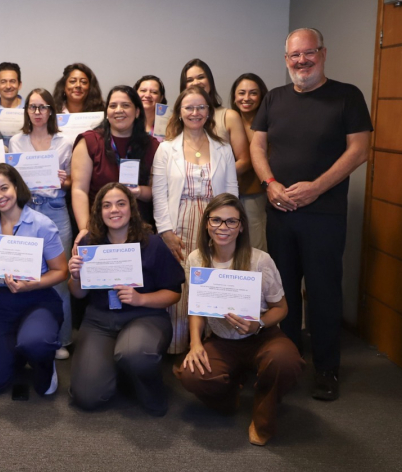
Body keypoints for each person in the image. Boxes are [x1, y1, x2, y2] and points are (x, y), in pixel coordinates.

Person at [250, 28, 372, 401]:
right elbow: (257, 143)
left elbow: (360, 149)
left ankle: (326, 368)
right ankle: (288, 362)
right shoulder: (274, 98)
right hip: (281, 210)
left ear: (323, 53)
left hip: (325, 213)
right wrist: (269, 182)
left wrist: (317, 187)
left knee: (323, 291)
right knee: (282, 290)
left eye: (308, 53)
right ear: (286, 59)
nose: (301, 61)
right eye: (294, 56)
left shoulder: (347, 96)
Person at [175, 193, 304, 446]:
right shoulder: (196, 260)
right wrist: (195, 344)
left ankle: (263, 413)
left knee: (286, 361)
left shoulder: (259, 260)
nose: (223, 228)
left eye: (231, 221)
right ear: (207, 224)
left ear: (241, 226)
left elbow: (282, 307)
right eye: (216, 220)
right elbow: (197, 309)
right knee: (192, 374)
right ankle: (230, 392)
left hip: (261, 336)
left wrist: (259, 323)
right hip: (222, 340)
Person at [68, 183, 183, 414]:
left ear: (131, 208)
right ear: (99, 211)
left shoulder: (153, 244)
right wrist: (76, 275)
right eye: (107, 205)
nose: (114, 210)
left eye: (121, 204)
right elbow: (78, 293)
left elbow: (174, 293)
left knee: (134, 354)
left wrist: (141, 299)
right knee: (87, 397)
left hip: (144, 317)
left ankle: (147, 385)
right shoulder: (88, 243)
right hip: (100, 320)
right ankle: (119, 370)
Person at [152, 85, 239, 354]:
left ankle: (214, 342)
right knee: (184, 279)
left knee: (213, 277)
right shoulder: (166, 149)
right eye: (189, 107)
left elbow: (232, 190)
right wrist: (165, 231)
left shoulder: (223, 148)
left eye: (201, 107)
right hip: (180, 223)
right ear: (179, 112)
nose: (195, 112)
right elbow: (159, 193)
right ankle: (179, 345)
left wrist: (230, 225)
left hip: (215, 225)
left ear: (209, 111)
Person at [0, 164, 68, 397]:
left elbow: (62, 272)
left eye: (4, 188)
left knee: (36, 343)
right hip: (3, 301)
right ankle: (16, 351)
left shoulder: (41, 224)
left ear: (16, 186)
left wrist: (31, 284)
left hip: (38, 299)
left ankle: (44, 362)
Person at [8, 88, 74, 359]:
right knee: (26, 271)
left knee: (60, 276)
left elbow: (72, 182)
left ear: (51, 111)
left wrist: (64, 180)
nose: (37, 112)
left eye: (43, 107)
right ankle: (28, 332)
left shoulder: (64, 142)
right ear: (27, 111)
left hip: (56, 209)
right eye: (32, 107)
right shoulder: (16, 141)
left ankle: (63, 338)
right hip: (25, 210)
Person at [70, 85, 158, 236]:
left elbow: (157, 191)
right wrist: (85, 229)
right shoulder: (89, 142)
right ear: (107, 113)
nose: (118, 110)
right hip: (98, 229)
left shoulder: (153, 145)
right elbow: (79, 190)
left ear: (137, 112)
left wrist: (138, 192)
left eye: (125, 105)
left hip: (140, 229)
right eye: (113, 106)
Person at [180, 59, 251, 177]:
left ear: (210, 81)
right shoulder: (177, 118)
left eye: (201, 77)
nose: (196, 82)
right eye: (189, 80)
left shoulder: (229, 116)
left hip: (221, 190)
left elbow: (244, 161)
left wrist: (212, 177)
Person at [230, 73, 270, 250]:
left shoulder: (269, 124)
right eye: (241, 93)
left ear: (261, 95)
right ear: (234, 96)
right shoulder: (226, 121)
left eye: (253, 93)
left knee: (255, 248)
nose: (246, 98)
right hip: (226, 196)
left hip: (256, 196)